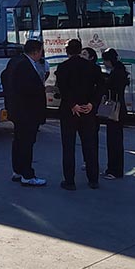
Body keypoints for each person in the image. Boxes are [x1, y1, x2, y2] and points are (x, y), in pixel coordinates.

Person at [54, 38, 104, 191]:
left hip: (69, 112)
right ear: (80, 49)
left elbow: (62, 89)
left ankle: (69, 181)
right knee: (90, 146)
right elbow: (101, 86)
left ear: (67, 51)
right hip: (88, 110)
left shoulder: (63, 67)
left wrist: (72, 104)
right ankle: (93, 179)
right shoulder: (92, 67)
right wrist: (92, 104)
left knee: (68, 147)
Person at [2, 39, 48, 187]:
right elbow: (28, 89)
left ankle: (18, 170)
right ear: (35, 51)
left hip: (17, 110)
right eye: (41, 51)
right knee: (26, 143)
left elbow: (4, 77)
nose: (41, 54)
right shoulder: (25, 66)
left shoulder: (15, 61)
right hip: (27, 111)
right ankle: (27, 175)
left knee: (19, 141)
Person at [101, 48, 130, 180]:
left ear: (109, 60)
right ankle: (114, 169)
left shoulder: (115, 74)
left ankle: (114, 170)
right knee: (116, 140)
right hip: (120, 108)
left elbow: (110, 88)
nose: (104, 63)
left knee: (113, 141)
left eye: (105, 60)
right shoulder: (121, 71)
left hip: (115, 109)